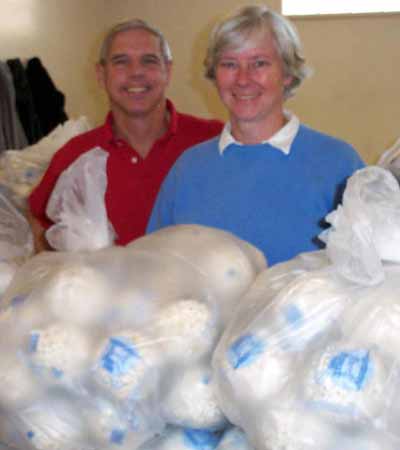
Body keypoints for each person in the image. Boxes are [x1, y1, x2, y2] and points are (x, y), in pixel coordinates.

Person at [147, 5, 365, 266]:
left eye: (259, 63)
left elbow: (372, 274)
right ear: (214, 74)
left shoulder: (338, 164)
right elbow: (157, 269)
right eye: (229, 64)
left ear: (287, 73)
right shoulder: (188, 169)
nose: (243, 79)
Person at [28, 19, 223, 251]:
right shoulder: (75, 155)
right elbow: (39, 223)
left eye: (149, 61)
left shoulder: (214, 140)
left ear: (167, 71)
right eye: (121, 62)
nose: (136, 72)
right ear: (101, 75)